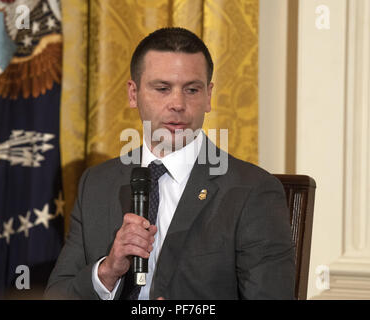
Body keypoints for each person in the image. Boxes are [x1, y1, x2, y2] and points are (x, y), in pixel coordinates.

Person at [45, 27, 295, 300]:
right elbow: (57, 294)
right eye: (162, 88)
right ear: (133, 93)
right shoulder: (97, 183)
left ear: (208, 96)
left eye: (192, 89)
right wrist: (107, 271)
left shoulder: (252, 190)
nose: (178, 103)